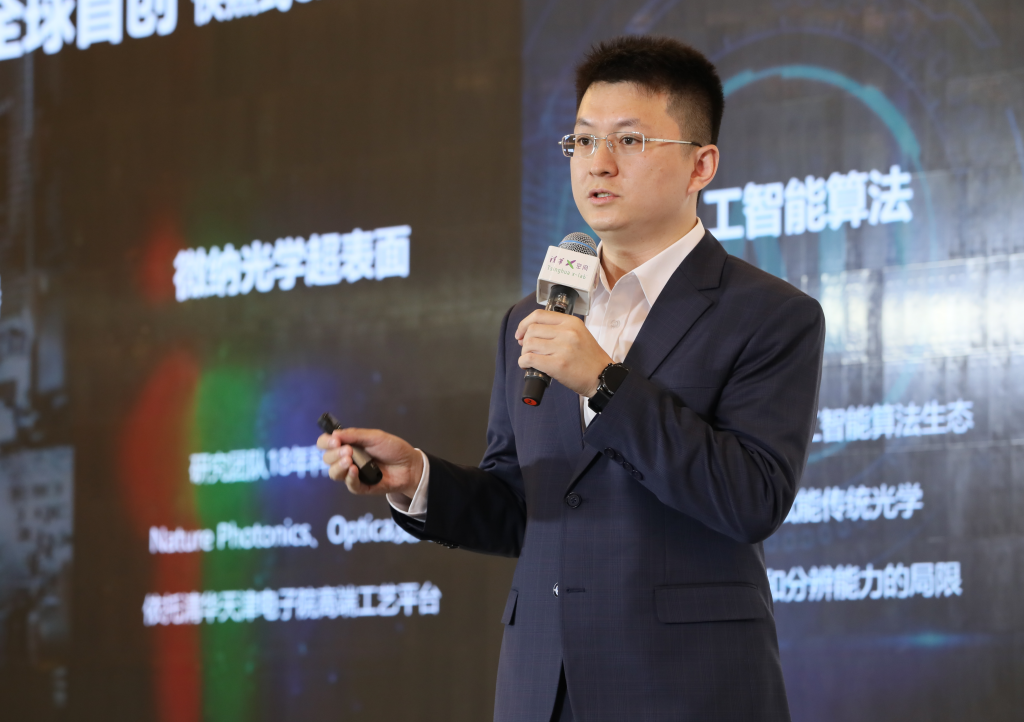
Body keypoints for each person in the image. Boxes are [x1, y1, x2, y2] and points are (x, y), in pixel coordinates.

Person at [319, 35, 825, 722]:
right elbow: (521, 506)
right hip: (542, 689)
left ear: (700, 165)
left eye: (629, 141)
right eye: (582, 141)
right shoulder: (531, 317)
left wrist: (604, 383)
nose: (598, 163)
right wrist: (417, 479)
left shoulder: (770, 314)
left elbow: (750, 498)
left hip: (687, 689)